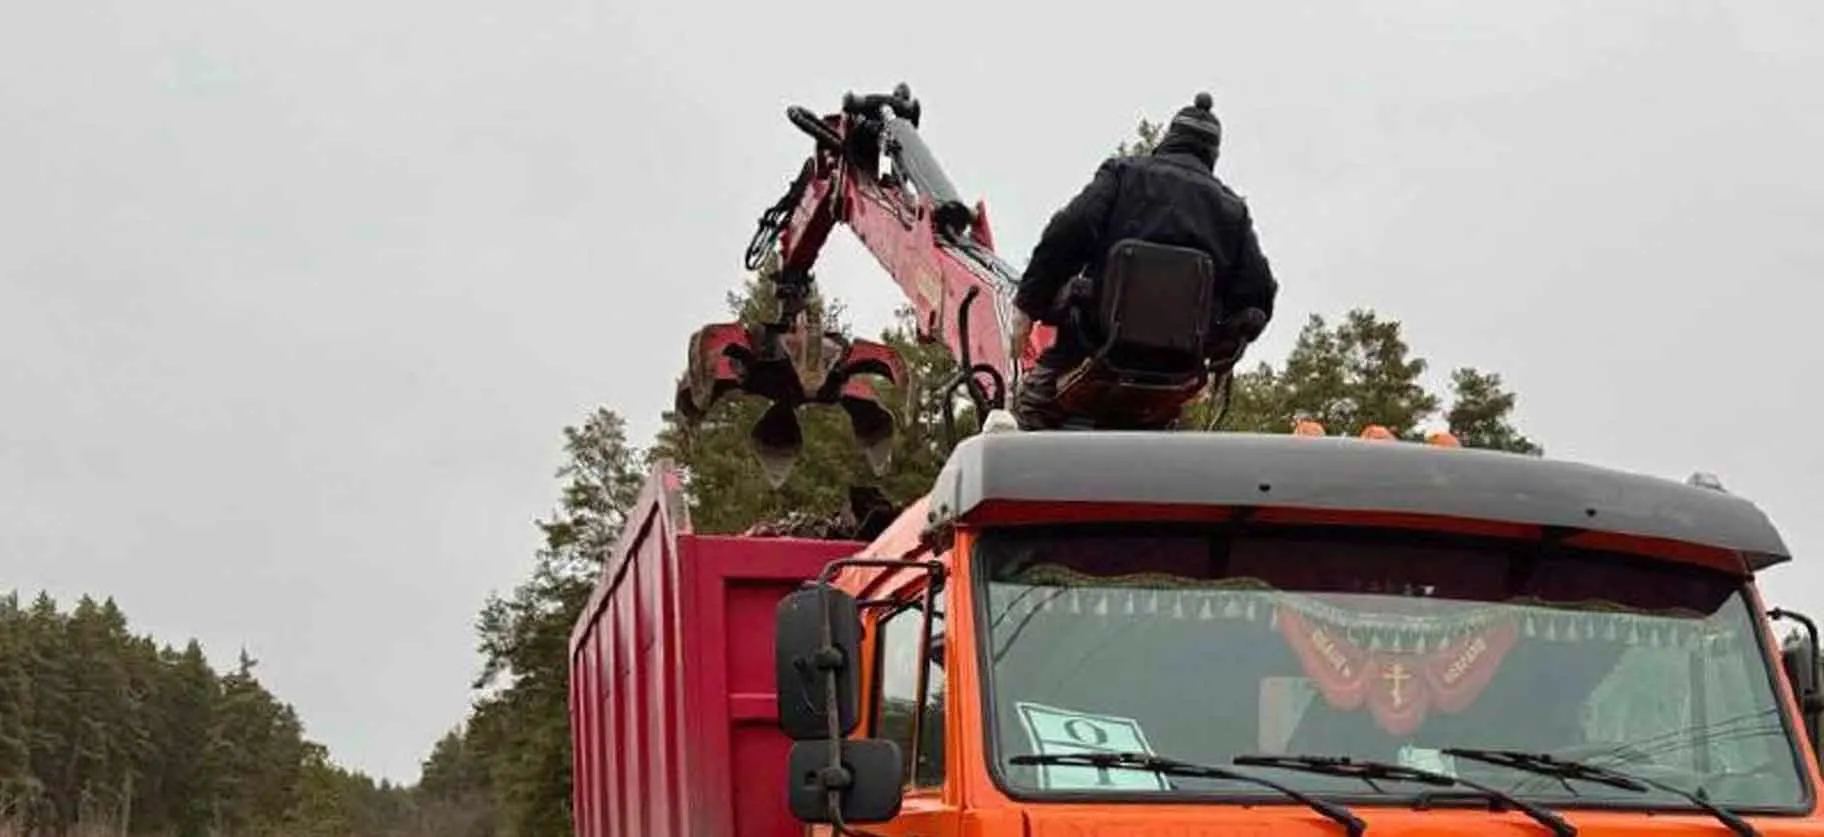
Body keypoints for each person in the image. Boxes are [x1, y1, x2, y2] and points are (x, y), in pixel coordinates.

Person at [1006, 92, 1279, 430]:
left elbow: (1069, 230)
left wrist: (1029, 304)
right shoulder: (1232, 211)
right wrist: (1217, 351)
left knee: (1030, 410)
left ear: (1167, 139)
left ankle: (1030, 429)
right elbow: (1258, 296)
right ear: (1213, 155)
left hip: (1091, 344)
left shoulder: (1123, 174)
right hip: (1174, 372)